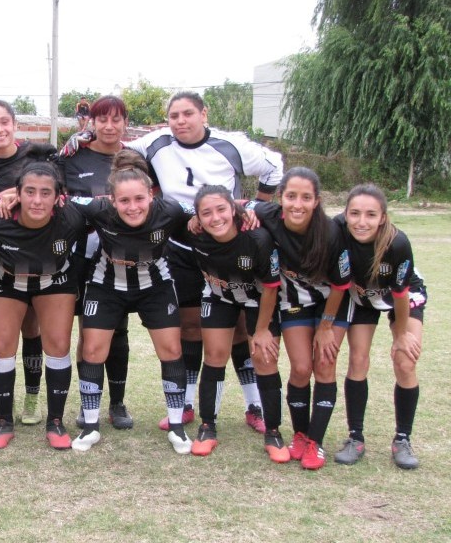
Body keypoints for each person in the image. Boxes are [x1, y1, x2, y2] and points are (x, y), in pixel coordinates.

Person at [127, 91, 283, 433]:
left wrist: (251, 207)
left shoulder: (231, 145)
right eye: (174, 116)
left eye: (188, 114)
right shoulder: (156, 142)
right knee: (190, 327)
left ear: (204, 114)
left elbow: (275, 166)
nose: (181, 121)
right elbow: (122, 149)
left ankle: (253, 403)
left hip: (225, 248)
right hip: (182, 248)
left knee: (240, 328)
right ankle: (185, 402)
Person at [66, 150, 194, 454]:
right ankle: (91, 426)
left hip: (155, 284)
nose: (132, 207)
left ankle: (177, 427)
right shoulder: (98, 208)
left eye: (139, 199)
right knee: (93, 349)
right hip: (107, 283)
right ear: (111, 200)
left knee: (172, 350)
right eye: (124, 201)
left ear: (151, 195)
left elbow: (211, 207)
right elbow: (58, 201)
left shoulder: (171, 209)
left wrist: (244, 211)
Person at [247, 167, 352, 470]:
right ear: (281, 197)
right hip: (295, 304)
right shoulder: (270, 214)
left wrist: (326, 327)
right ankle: (300, 434)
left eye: (306, 198)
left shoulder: (330, 233)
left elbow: (341, 286)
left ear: (317, 201)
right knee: (302, 367)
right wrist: (245, 214)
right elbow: (238, 205)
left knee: (324, 363)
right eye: (291, 196)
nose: (297, 204)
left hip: (331, 305)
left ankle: (315, 443)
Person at [0, 99, 56, 426]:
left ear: (14, 124)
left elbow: (63, 177)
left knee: (33, 330)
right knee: (4, 338)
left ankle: (32, 398)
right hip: (0, 259)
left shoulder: (36, 155)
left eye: (5, 122)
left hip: (42, 256)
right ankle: (6, 406)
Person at [0, 162, 86, 450]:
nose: (37, 200)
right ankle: (4, 421)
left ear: (58, 197)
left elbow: (109, 203)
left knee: (58, 344)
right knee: (2, 346)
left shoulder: (73, 218)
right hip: (5, 278)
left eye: (45, 193)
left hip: (54, 279)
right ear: (17, 193)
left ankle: (55, 421)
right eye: (29, 192)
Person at [179, 185, 288, 462]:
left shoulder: (257, 239)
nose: (215, 218)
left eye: (221, 210)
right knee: (214, 355)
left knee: (264, 357)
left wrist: (262, 330)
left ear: (233, 210)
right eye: (206, 213)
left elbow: (272, 289)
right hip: (219, 297)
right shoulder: (195, 233)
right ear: (198, 218)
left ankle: (273, 431)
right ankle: (207, 427)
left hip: (258, 300)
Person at [333, 184, 426, 469]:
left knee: (405, 361)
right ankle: (355, 437)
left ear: (383, 217)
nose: (362, 221)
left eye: (371, 215)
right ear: (345, 214)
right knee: (358, 359)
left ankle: (402, 439)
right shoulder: (336, 230)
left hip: (402, 296)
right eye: (355, 213)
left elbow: (400, 295)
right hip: (361, 297)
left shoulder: (397, 243)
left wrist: (399, 336)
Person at [57, 95, 134, 430]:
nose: (109, 126)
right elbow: (57, 196)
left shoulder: (135, 159)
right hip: (81, 256)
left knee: (118, 330)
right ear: (92, 122)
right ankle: (90, 401)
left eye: (117, 119)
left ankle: (117, 403)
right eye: (103, 119)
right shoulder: (73, 157)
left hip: (123, 256)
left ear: (125, 124)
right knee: (89, 332)